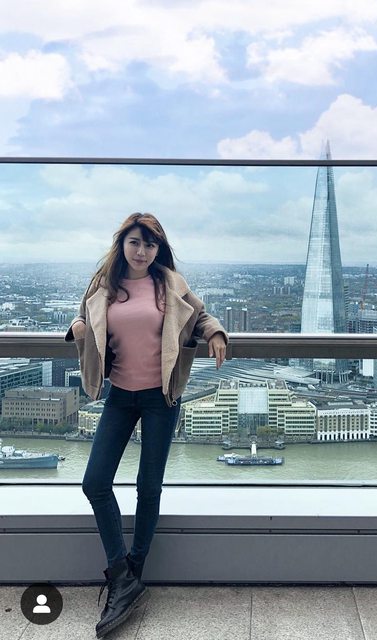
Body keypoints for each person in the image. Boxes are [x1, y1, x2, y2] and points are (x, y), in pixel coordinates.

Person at [65, 212, 228, 638]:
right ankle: (122, 575)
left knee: (148, 486)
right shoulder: (103, 285)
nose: (142, 251)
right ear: (122, 244)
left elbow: (201, 316)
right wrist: (77, 328)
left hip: (161, 397)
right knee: (94, 482)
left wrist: (215, 333)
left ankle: (132, 574)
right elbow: (84, 318)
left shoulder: (170, 283)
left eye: (150, 244)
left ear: (160, 249)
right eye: (135, 242)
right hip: (119, 396)